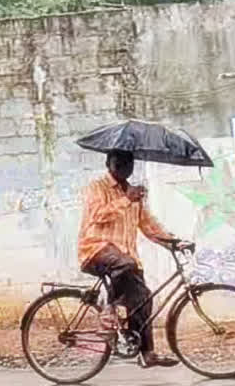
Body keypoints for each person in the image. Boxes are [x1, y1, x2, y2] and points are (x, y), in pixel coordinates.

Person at [78, 151, 192, 368]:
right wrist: (126, 199)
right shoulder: (97, 187)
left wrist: (174, 242)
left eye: (128, 163)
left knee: (143, 299)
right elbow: (97, 215)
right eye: (118, 163)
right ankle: (108, 309)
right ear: (108, 164)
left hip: (125, 260)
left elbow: (149, 226)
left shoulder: (133, 194)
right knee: (127, 264)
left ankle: (147, 354)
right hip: (95, 250)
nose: (124, 167)